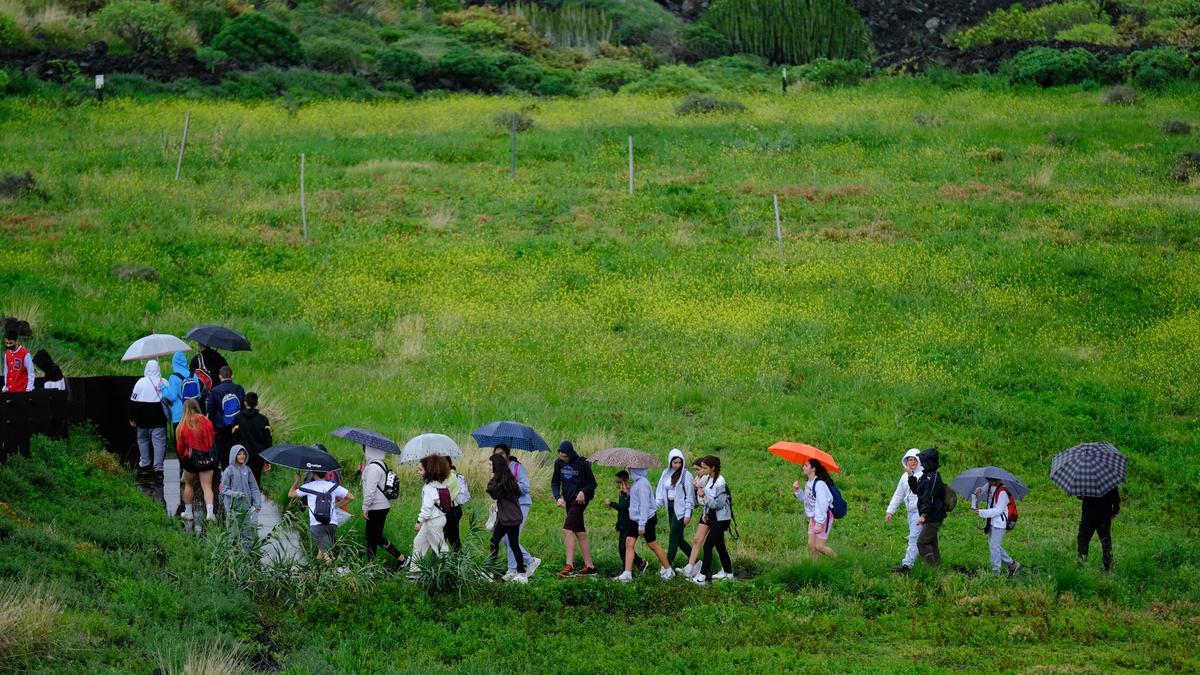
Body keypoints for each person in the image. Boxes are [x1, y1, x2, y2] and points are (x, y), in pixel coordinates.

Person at [616, 467, 675, 582]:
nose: (630, 473)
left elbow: (644, 505)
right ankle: (627, 573)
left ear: (637, 471)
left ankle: (668, 570)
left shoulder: (642, 484)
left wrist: (642, 524)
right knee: (629, 543)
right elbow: (635, 499)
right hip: (635, 519)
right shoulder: (637, 483)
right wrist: (627, 491)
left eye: (631, 471)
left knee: (652, 545)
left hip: (646, 519)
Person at [551, 440, 597, 578]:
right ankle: (590, 566)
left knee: (567, 529)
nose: (563, 459)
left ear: (570, 453)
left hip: (580, 500)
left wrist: (583, 491)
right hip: (569, 499)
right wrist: (558, 497)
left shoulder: (582, 463)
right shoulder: (558, 463)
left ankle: (569, 566)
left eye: (565, 456)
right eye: (561, 456)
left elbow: (592, 484)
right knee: (579, 532)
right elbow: (555, 482)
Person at [493, 445, 540, 578]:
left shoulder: (517, 467)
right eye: (496, 454)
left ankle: (513, 570)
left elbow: (525, 487)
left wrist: (509, 482)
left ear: (507, 455)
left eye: (502, 454)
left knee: (511, 538)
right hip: (506, 508)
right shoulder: (498, 470)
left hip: (521, 505)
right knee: (506, 539)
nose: (499, 457)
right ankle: (528, 562)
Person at [290, 470, 353, 563]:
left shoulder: (308, 486)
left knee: (326, 554)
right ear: (325, 474)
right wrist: (336, 506)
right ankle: (315, 573)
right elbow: (351, 497)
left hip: (317, 525)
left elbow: (290, 494)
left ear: (313, 474)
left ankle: (331, 566)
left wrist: (297, 481)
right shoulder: (333, 486)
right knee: (321, 551)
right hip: (332, 524)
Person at [486, 454, 528, 583]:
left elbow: (492, 492)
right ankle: (521, 573)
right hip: (510, 517)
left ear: (496, 466)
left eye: (490, 464)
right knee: (504, 543)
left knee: (501, 542)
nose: (488, 466)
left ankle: (490, 570)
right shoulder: (508, 479)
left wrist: (492, 478)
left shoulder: (502, 482)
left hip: (509, 518)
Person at [691, 455, 732, 585]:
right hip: (713, 516)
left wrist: (704, 496)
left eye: (705, 468)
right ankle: (728, 573)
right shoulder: (709, 478)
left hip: (721, 519)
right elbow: (702, 490)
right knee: (720, 546)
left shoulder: (720, 481)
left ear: (713, 468)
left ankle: (702, 576)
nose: (702, 470)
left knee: (707, 546)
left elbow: (718, 504)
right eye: (701, 467)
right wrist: (705, 512)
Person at [361, 446, 405, 563]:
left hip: (376, 507)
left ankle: (402, 559)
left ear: (369, 451)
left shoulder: (373, 468)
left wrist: (365, 506)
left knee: (376, 537)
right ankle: (370, 565)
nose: (364, 452)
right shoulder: (381, 464)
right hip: (382, 506)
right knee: (372, 537)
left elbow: (370, 490)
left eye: (364, 450)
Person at [176, 399, 218, 521]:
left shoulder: (183, 425)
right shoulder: (207, 421)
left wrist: (184, 458)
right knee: (207, 486)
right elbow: (212, 439)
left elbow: (180, 448)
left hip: (191, 460)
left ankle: (188, 512)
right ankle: (210, 514)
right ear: (197, 407)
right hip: (207, 458)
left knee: (189, 485)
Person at [655, 448, 696, 569]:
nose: (678, 465)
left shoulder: (686, 475)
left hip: (682, 510)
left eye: (680, 462)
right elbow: (660, 493)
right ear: (670, 462)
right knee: (679, 539)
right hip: (671, 508)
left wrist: (688, 513)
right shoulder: (665, 473)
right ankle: (697, 562)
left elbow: (690, 496)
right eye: (675, 462)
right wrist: (652, 508)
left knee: (673, 537)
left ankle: (667, 567)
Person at [908, 447, 948, 567]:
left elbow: (928, 497)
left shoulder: (933, 477)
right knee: (932, 542)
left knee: (922, 542)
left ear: (928, 461)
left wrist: (923, 515)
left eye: (923, 459)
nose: (920, 461)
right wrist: (911, 477)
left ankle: (930, 568)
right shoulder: (926, 475)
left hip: (934, 516)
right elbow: (917, 491)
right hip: (930, 515)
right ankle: (937, 567)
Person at [973, 478, 1021, 577]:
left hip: (1000, 523)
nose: (988, 482)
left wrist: (982, 512)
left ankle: (996, 572)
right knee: (994, 546)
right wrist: (980, 489)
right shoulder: (990, 485)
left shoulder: (1003, 492)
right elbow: (984, 489)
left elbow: (998, 510)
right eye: (988, 480)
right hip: (992, 521)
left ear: (996, 480)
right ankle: (1012, 564)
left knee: (994, 546)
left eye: (990, 481)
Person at [886, 449, 923, 573]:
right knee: (917, 537)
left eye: (914, 460)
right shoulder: (904, 476)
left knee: (913, 537)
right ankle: (927, 561)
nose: (912, 462)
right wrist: (890, 511)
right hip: (910, 512)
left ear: (919, 461)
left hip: (920, 512)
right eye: (909, 460)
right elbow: (898, 494)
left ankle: (907, 565)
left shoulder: (923, 475)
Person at [129, 359, 168, 477]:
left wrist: (132, 418)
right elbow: (169, 399)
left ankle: (144, 465)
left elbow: (133, 402)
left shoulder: (140, 382)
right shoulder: (164, 382)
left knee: (142, 440)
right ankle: (159, 469)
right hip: (159, 419)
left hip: (142, 419)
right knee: (159, 443)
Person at [219, 444, 262, 551]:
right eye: (239, 454)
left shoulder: (247, 470)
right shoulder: (229, 470)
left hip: (246, 508)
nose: (242, 456)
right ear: (234, 455)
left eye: (243, 454)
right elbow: (224, 490)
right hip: (232, 509)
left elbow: (254, 488)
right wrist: (237, 494)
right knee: (232, 534)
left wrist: (257, 504)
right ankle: (230, 556)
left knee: (247, 534)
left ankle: (246, 556)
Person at [411, 455, 451, 562]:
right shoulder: (439, 484)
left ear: (429, 471)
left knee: (441, 550)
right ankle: (414, 573)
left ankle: (451, 573)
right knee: (418, 543)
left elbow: (427, 508)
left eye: (420, 470)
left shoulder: (429, 487)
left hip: (433, 521)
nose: (418, 472)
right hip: (435, 520)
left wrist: (419, 521)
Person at [604, 471, 645, 575]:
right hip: (622, 524)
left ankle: (634, 565)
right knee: (621, 548)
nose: (616, 484)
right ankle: (633, 564)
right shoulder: (622, 493)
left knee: (624, 547)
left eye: (619, 481)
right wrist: (618, 523)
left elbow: (625, 507)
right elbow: (621, 512)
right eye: (616, 482)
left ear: (625, 481)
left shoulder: (630, 492)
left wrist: (611, 504)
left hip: (630, 524)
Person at [795, 459, 836, 562]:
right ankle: (815, 569)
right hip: (814, 517)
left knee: (819, 546)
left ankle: (840, 561)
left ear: (813, 469)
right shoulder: (809, 483)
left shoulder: (820, 484)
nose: (803, 467)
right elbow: (807, 500)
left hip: (823, 518)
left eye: (806, 465)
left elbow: (822, 505)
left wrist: (819, 522)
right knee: (811, 546)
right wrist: (798, 491)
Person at [678, 457, 713, 579]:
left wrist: (699, 489)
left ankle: (723, 571)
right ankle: (690, 567)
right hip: (706, 513)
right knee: (697, 539)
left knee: (717, 544)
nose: (697, 472)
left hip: (715, 515)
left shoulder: (709, 480)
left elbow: (710, 498)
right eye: (696, 469)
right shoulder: (698, 480)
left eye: (699, 469)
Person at [206, 366, 245, 470]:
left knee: (223, 451)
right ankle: (237, 471)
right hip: (236, 426)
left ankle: (225, 472)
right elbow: (243, 407)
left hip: (221, 426)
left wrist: (212, 426)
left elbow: (211, 410)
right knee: (236, 449)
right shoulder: (239, 388)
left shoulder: (215, 390)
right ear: (232, 375)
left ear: (220, 376)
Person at [232, 392, 272, 486]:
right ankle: (255, 499)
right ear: (257, 403)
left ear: (245, 403)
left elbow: (234, 438)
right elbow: (268, 440)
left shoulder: (238, 418)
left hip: (242, 454)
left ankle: (244, 499)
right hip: (259, 455)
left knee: (242, 481)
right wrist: (267, 460)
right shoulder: (263, 419)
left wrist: (234, 455)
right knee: (256, 481)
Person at [1078, 487, 1119, 572]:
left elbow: (1079, 496)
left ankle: (1081, 564)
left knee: (1083, 540)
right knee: (1106, 541)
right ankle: (1107, 567)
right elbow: (1116, 498)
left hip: (1088, 515)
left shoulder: (1084, 477)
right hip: (1104, 515)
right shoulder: (1108, 479)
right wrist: (1115, 511)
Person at [160, 352, 193, 427]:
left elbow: (171, 397)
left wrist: (163, 387)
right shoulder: (193, 375)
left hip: (179, 415)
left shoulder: (174, 377)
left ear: (174, 362)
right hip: (194, 413)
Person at [445, 461, 470, 552]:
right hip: (453, 510)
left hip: (452, 510)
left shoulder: (454, 477)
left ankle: (436, 562)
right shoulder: (453, 476)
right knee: (453, 538)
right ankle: (458, 561)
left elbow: (463, 497)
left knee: (448, 537)